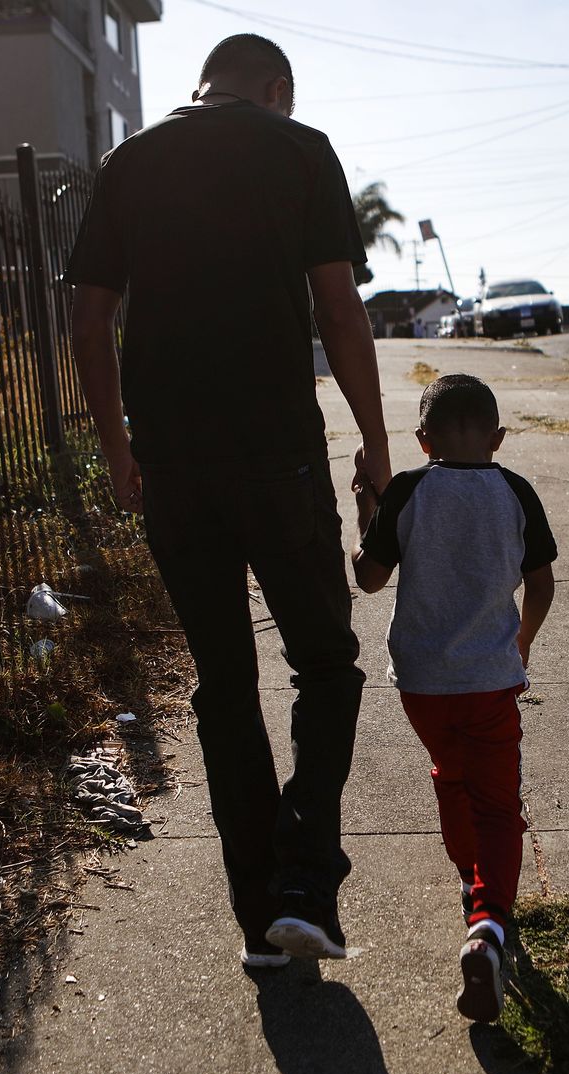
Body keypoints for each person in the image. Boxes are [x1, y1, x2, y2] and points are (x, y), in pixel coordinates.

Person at [63, 33, 390, 967]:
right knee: (325, 662)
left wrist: (118, 448)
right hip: (279, 460)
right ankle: (304, 881)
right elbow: (338, 307)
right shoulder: (299, 149)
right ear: (275, 89)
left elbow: (87, 319)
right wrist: (371, 438)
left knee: (224, 684)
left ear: (201, 83)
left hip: (174, 467)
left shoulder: (131, 159)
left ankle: (259, 920)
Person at [350, 374, 557, 1023]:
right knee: (498, 806)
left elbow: (370, 577)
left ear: (422, 439)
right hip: (490, 678)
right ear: (498, 438)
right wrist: (521, 641)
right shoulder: (516, 491)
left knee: (450, 776)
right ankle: (488, 925)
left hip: (422, 683)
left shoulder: (410, 490)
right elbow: (542, 582)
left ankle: (471, 882)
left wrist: (367, 507)